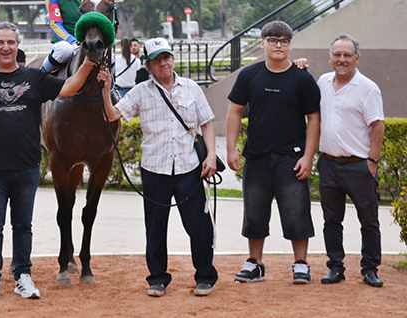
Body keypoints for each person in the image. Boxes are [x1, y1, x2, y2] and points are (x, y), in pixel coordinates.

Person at [0, 22, 97, 300]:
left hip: (27, 166)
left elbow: (69, 87)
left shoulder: (34, 77)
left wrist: (89, 61)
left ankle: (23, 276)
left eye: (10, 42)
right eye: (0, 42)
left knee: (23, 225)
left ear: (18, 45)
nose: (6, 47)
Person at [97, 36, 219, 298]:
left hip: (189, 168)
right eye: (157, 60)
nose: (163, 64)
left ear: (172, 59)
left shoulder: (191, 87)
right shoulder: (141, 91)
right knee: (155, 228)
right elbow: (112, 115)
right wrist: (106, 90)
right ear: (148, 66)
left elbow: (207, 123)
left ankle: (205, 276)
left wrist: (211, 156)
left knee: (200, 226)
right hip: (154, 169)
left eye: (166, 58)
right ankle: (157, 279)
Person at [226, 20, 320, 285]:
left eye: (284, 41)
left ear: (290, 45)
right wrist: (231, 149)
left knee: (296, 213)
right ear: (263, 43)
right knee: (254, 214)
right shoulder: (249, 75)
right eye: (273, 40)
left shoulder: (302, 78)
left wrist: (308, 156)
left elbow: (314, 118)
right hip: (256, 157)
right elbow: (234, 111)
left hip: (292, 159)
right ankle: (255, 263)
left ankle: (301, 264)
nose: (279, 45)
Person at [299, 35, 385, 287]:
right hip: (329, 164)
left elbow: (378, 125)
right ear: (330, 58)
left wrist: (372, 161)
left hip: (359, 166)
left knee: (368, 221)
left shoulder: (368, 88)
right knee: (331, 220)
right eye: (337, 55)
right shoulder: (323, 82)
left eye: (347, 55)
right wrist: (300, 66)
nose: (342, 59)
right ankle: (335, 267)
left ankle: (370, 269)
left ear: (357, 58)